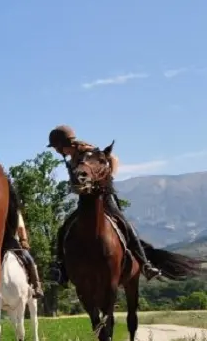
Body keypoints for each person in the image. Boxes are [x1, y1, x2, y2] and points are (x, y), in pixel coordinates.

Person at [47, 125, 161, 281]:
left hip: (104, 197)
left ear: (62, 145)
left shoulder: (87, 152)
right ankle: (60, 267)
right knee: (64, 229)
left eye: (56, 147)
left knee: (125, 226)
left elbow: (113, 158)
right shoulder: (71, 157)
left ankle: (145, 264)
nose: (56, 151)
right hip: (86, 201)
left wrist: (110, 179)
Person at [14, 211, 44, 299]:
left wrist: (23, 240)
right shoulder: (15, 212)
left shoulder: (15, 212)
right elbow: (21, 228)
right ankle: (37, 287)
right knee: (30, 261)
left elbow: (21, 228)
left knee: (30, 260)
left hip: (6, 244)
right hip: (8, 243)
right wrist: (23, 239)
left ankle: (36, 286)